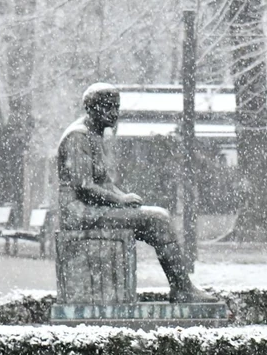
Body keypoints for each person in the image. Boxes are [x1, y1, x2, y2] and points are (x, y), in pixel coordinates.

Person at [57, 83, 215, 303]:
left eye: (116, 107)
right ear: (91, 108)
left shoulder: (94, 134)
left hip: (91, 210)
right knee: (157, 220)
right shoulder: (79, 136)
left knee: (156, 220)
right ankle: (182, 288)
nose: (114, 114)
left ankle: (182, 286)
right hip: (80, 214)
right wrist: (119, 199)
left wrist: (124, 199)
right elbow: (85, 186)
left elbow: (104, 183)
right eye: (108, 107)